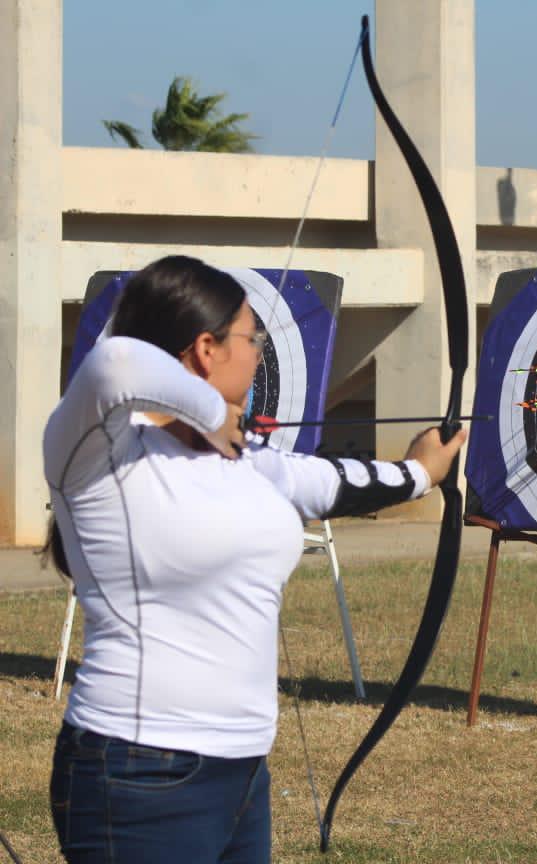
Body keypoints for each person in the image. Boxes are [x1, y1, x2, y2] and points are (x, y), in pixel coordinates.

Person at [43, 255, 465, 864]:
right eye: (251, 337)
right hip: (137, 769)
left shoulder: (243, 457)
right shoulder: (97, 448)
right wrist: (214, 416)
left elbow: (331, 483)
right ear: (207, 349)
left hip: (242, 770)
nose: (260, 351)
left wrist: (422, 471)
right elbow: (115, 361)